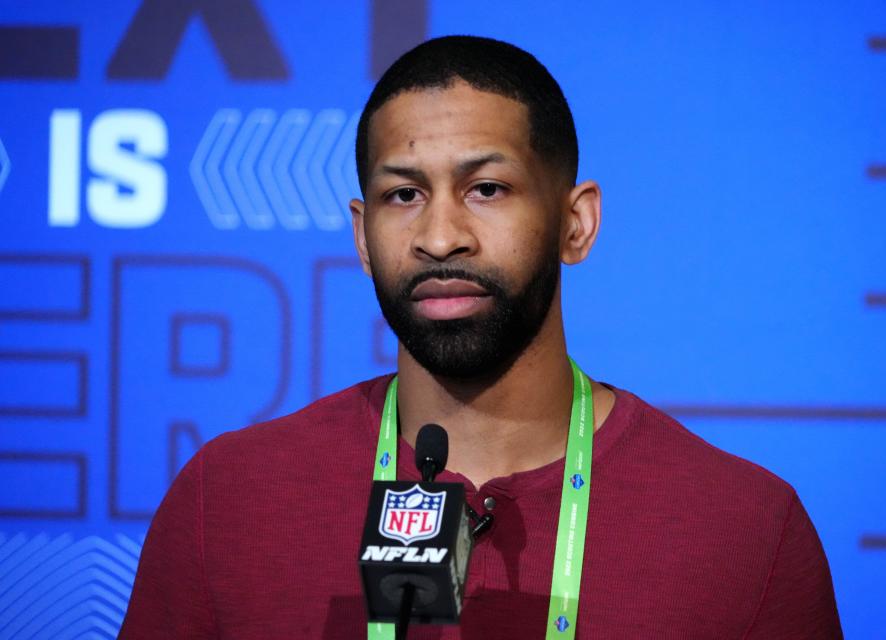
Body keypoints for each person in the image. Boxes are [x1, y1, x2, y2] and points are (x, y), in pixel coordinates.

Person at [120, 36, 843, 638]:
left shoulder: (744, 528)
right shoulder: (230, 500)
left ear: (576, 223)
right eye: (403, 195)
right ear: (362, 236)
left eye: (486, 189)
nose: (440, 237)